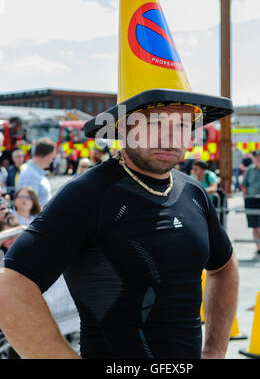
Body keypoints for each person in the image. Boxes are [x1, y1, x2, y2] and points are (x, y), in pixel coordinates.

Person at [0, 105, 238, 360]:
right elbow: (9, 286)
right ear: (123, 128)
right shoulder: (88, 194)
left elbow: (224, 268)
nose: (170, 136)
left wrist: (215, 350)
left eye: (181, 125)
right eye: (155, 123)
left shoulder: (193, 191)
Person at [16, 138, 55, 208]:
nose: (52, 160)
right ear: (49, 155)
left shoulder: (34, 171)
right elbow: (26, 207)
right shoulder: (30, 174)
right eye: (53, 157)